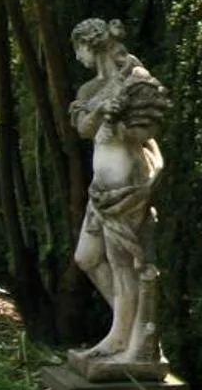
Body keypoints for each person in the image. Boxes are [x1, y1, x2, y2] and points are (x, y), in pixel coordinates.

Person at [68, 18, 170, 372]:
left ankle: (131, 341)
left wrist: (123, 121)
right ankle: (128, 330)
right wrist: (103, 108)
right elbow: (83, 128)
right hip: (102, 191)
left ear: (89, 46)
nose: (77, 56)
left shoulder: (136, 80)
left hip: (126, 186)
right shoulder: (92, 89)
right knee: (88, 257)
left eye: (77, 48)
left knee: (126, 265)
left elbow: (151, 125)